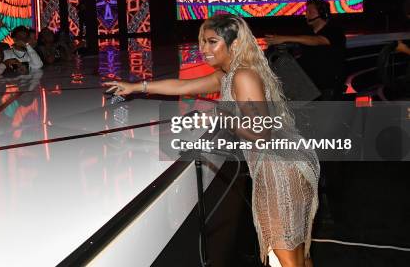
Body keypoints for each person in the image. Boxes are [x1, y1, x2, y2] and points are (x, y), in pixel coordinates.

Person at [104, 14, 320, 267]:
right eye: (202, 42)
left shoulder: (243, 76)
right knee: (297, 254)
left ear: (235, 44)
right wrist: (137, 87)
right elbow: (182, 86)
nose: (203, 49)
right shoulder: (228, 74)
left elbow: (261, 133)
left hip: (280, 170)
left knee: (285, 257)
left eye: (212, 42)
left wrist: (218, 116)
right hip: (284, 163)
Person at [265, 0, 346, 100]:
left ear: (322, 13)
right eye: (306, 12)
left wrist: (284, 38)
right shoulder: (307, 33)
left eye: (310, 12)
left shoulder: (334, 31)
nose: (306, 15)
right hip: (309, 89)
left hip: (328, 89)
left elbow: (318, 41)